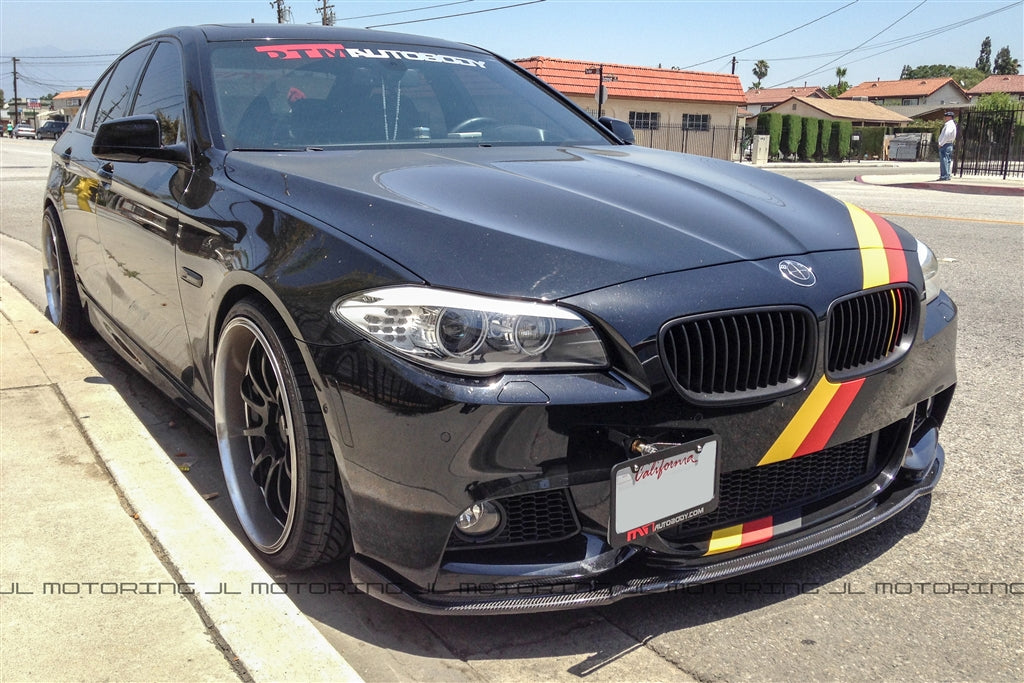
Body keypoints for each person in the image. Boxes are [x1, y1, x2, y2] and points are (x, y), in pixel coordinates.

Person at [937, 111, 956, 181]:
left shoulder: (949, 124)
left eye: (946, 116)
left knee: (944, 160)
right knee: (947, 160)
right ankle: (947, 175)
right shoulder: (952, 124)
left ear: (950, 117)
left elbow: (946, 134)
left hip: (945, 144)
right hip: (949, 143)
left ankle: (944, 176)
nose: (945, 117)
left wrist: (941, 143)